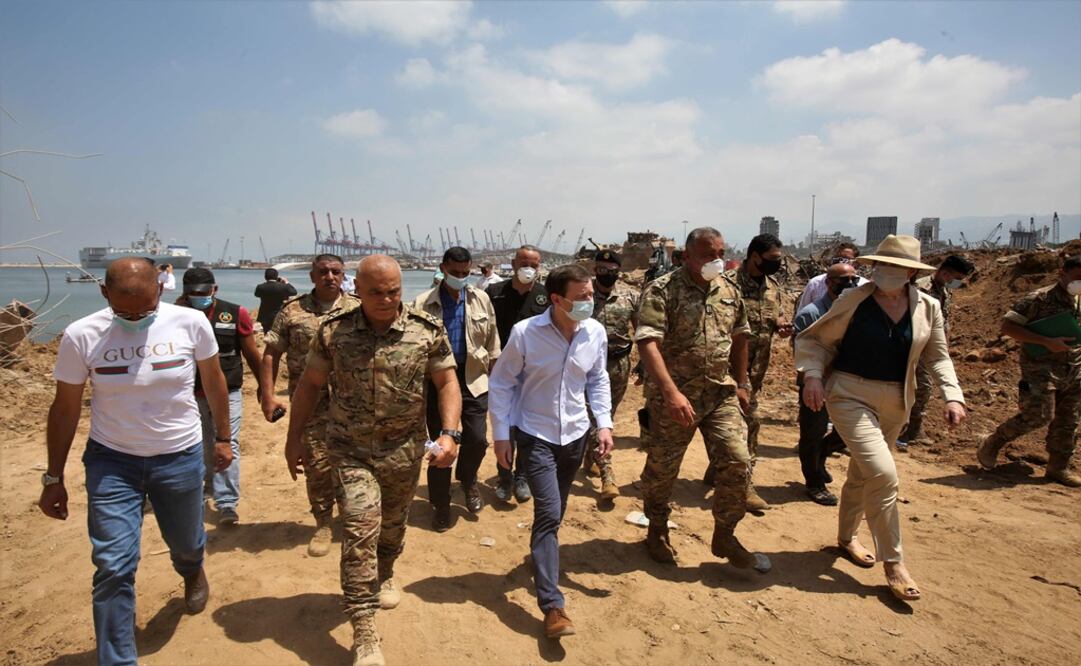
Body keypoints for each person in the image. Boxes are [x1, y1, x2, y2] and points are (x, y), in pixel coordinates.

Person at [38, 257, 233, 665]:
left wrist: (223, 438)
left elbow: (214, 381)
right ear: (104, 293)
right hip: (113, 462)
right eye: (123, 311)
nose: (134, 319)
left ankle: (191, 569)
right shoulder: (80, 335)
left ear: (159, 290)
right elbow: (65, 408)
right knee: (112, 565)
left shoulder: (190, 324)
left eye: (144, 310)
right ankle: (118, 659)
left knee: (184, 541)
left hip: (178, 456)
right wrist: (53, 477)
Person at [284, 255, 462, 666]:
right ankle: (364, 628)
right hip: (349, 451)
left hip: (403, 451)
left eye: (394, 291)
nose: (386, 300)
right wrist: (294, 439)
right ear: (357, 290)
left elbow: (447, 380)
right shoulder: (335, 332)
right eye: (376, 292)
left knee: (392, 527)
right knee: (360, 530)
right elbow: (310, 386)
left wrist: (450, 433)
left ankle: (387, 570)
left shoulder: (425, 330)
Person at [796, 234, 966, 602]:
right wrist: (812, 376)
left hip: (896, 400)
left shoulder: (928, 307)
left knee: (862, 472)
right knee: (884, 473)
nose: (887, 273)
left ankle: (845, 538)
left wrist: (953, 396)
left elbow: (937, 356)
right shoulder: (853, 299)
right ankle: (894, 561)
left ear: (910, 272)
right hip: (849, 393)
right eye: (882, 265)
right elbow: (818, 341)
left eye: (896, 267)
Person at [488, 264, 613, 639]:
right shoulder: (526, 334)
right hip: (535, 434)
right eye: (581, 297)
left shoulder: (595, 332)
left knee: (556, 512)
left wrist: (603, 422)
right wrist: (501, 435)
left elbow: (597, 378)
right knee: (548, 511)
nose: (589, 302)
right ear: (556, 299)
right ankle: (552, 605)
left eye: (590, 295)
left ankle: (542, 553)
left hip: (575, 435)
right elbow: (502, 383)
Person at [636, 227, 770, 573]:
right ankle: (656, 528)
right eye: (708, 254)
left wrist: (741, 383)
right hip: (674, 397)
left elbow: (741, 336)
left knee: (738, 460)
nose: (716, 260)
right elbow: (648, 342)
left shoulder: (729, 289)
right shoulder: (663, 290)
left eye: (720, 253)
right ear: (688, 256)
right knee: (662, 469)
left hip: (718, 393)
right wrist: (671, 393)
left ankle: (725, 533)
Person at [259, 254, 359, 556]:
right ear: (313, 276)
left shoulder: (358, 308)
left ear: (343, 276)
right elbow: (271, 353)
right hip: (310, 404)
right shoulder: (292, 311)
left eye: (336, 272)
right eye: (323, 272)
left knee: (354, 464)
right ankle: (323, 523)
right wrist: (268, 395)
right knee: (317, 464)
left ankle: (353, 519)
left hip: (352, 404)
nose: (330, 276)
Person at [414, 247, 501, 531]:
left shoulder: (481, 299)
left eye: (466, 273)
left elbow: (492, 342)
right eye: (455, 273)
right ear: (443, 269)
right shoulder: (422, 303)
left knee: (476, 439)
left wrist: (496, 377)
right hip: (438, 381)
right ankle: (440, 504)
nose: (461, 278)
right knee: (441, 444)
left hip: (473, 379)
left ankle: (467, 480)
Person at [976, 254, 1081, 487]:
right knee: (1039, 415)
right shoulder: (1039, 299)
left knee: (1069, 420)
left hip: (1074, 369)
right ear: (1062, 274)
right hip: (1041, 367)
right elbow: (1008, 327)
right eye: (1077, 278)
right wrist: (1045, 341)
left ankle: (1058, 467)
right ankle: (993, 441)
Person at [178, 267, 263, 525]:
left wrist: (264, 388)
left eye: (203, 292)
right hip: (189, 392)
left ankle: (226, 502)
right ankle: (207, 487)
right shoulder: (175, 316)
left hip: (229, 392)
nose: (198, 297)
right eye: (192, 293)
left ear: (214, 290)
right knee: (201, 441)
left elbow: (251, 353)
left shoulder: (235, 313)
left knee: (227, 442)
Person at [720, 233, 793, 511]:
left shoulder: (772, 287)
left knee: (736, 425)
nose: (778, 265)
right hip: (728, 370)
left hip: (757, 370)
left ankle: (721, 469)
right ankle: (745, 485)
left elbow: (776, 316)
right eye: (773, 260)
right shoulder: (727, 286)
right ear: (754, 257)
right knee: (752, 422)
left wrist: (782, 325)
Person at [792, 261, 858, 505]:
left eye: (854, 279)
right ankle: (814, 482)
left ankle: (820, 458)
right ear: (829, 283)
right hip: (816, 382)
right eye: (844, 280)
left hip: (848, 382)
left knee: (847, 433)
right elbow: (801, 351)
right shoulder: (811, 313)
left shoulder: (858, 309)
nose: (850, 284)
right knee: (813, 432)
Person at [486, 244, 549, 504]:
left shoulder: (545, 296)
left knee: (527, 425)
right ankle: (504, 477)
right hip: (500, 370)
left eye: (533, 264)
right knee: (504, 424)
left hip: (532, 373)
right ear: (513, 264)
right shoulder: (494, 293)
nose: (528, 268)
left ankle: (521, 476)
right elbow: (485, 331)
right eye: (523, 263)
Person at [898, 254, 975, 446]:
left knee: (920, 386)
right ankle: (910, 431)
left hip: (931, 347)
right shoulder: (921, 288)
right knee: (922, 387)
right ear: (945, 272)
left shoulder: (943, 290)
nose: (956, 283)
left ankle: (907, 428)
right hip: (916, 346)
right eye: (955, 278)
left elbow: (942, 322)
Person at [581, 249, 638, 503]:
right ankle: (607, 474)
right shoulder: (584, 295)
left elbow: (643, 329)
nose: (607, 274)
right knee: (596, 418)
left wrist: (646, 365)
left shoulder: (630, 296)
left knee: (607, 415)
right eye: (602, 270)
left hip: (618, 365)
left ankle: (590, 457)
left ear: (618, 271)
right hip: (587, 366)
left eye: (611, 270)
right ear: (595, 270)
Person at [795, 243, 869, 312]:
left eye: (845, 260)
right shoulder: (815, 284)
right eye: (838, 259)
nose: (841, 263)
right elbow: (803, 311)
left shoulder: (865, 286)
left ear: (855, 263)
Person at [253, 267, 297, 334]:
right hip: (279, 314)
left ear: (265, 277)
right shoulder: (283, 287)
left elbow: (256, 294)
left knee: (267, 334)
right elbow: (294, 292)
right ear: (276, 277)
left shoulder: (260, 287)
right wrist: (286, 282)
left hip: (265, 316)